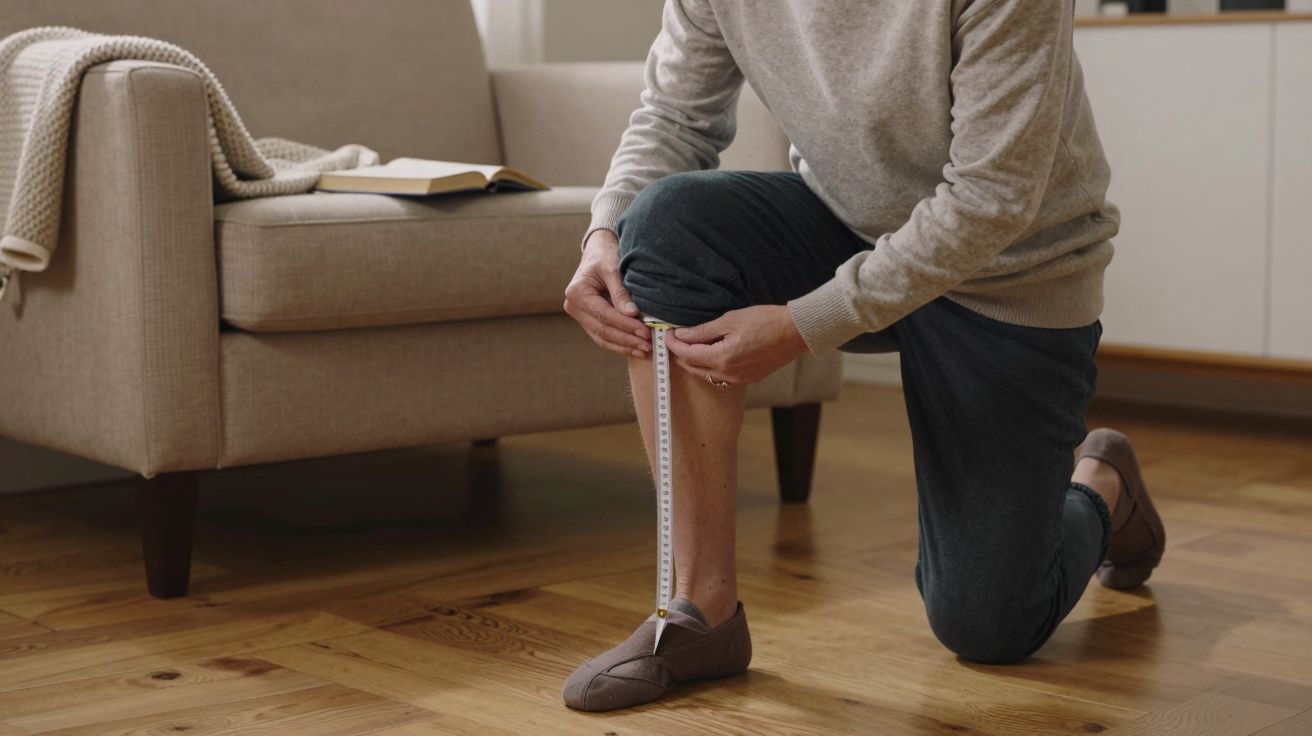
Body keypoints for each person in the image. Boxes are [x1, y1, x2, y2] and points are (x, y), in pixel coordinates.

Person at [559, 0, 1166, 712]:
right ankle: (700, 611)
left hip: (1011, 272)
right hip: (850, 226)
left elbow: (992, 196)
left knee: (989, 624)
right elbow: (672, 117)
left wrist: (804, 322)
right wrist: (603, 230)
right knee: (664, 225)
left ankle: (1103, 486)